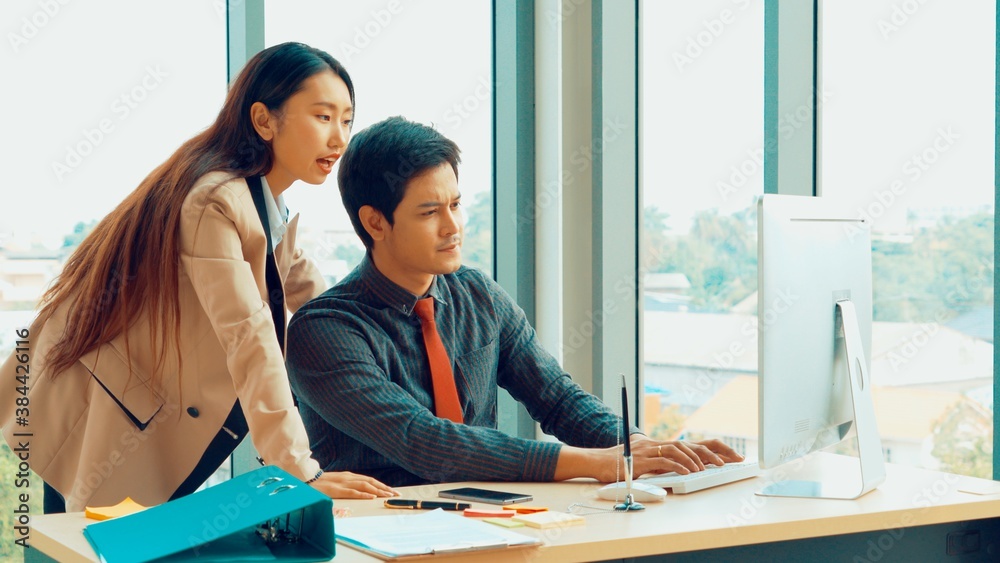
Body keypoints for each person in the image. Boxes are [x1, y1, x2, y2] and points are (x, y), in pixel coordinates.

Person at [0, 42, 396, 513]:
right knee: (86, 546)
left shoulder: (268, 206)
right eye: (322, 116)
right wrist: (299, 470)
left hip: (133, 410)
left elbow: (322, 308)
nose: (339, 138)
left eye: (347, 119)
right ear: (264, 121)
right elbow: (250, 338)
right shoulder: (217, 201)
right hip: (96, 409)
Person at [285, 116, 744, 487]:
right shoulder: (324, 330)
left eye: (456, 205)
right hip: (380, 537)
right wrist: (599, 463)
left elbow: (558, 399)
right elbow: (425, 441)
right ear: (375, 222)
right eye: (429, 212)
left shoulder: (478, 294)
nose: (453, 227)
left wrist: (641, 448)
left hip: (493, 520)